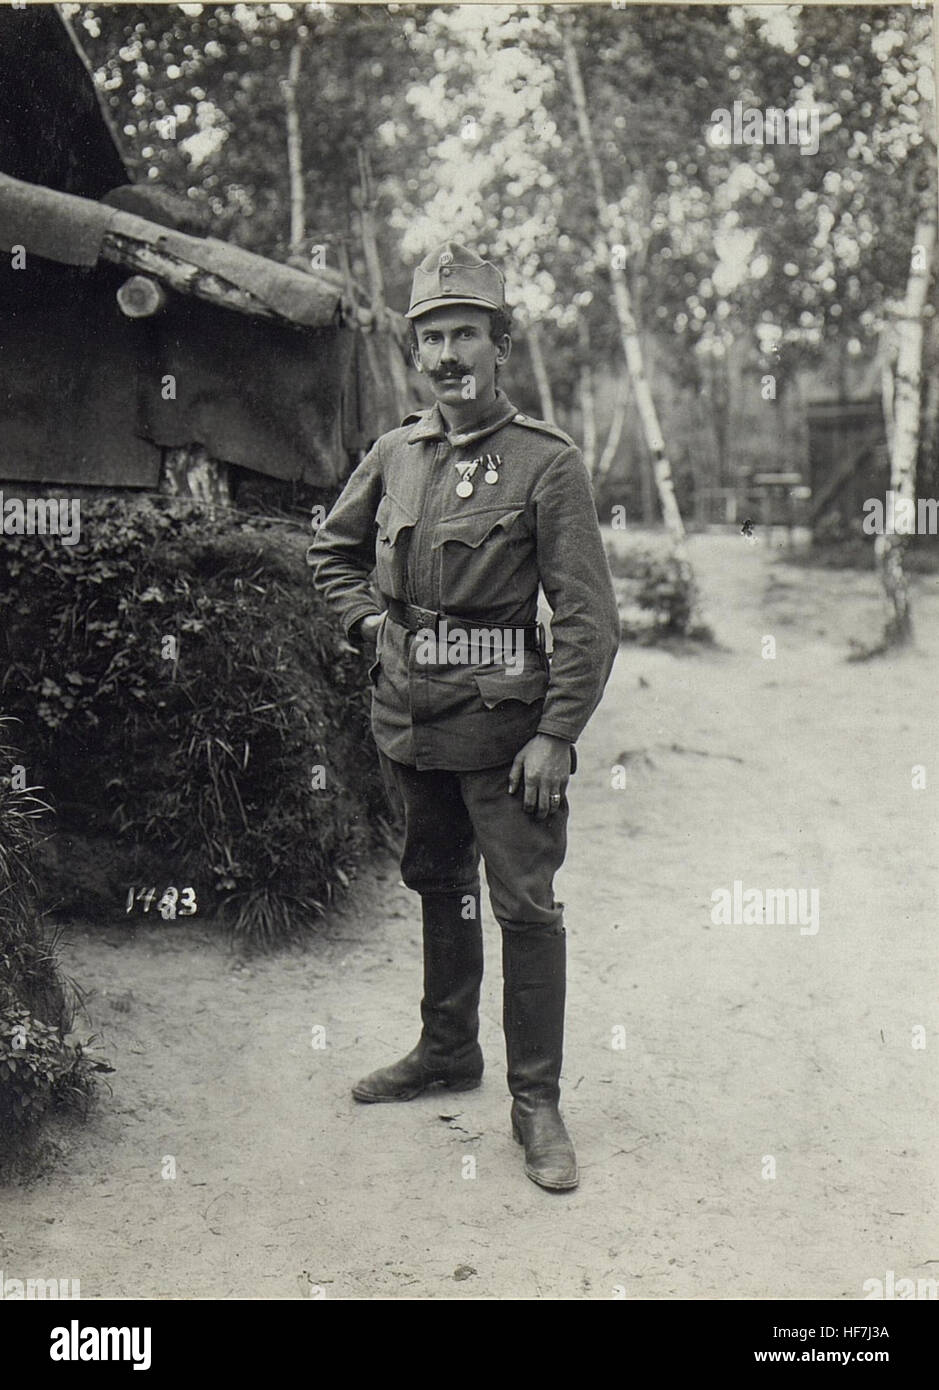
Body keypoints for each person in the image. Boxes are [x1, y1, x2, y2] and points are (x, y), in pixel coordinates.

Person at [308, 241, 619, 1191]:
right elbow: (331, 554)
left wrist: (556, 733)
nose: (448, 355)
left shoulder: (546, 464)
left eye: (465, 336)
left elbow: (587, 619)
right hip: (410, 724)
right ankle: (446, 1051)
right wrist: (370, 626)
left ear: (501, 345)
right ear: (415, 353)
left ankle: (536, 1101)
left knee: (525, 906)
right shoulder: (396, 454)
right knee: (436, 881)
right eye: (431, 337)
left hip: (505, 733)